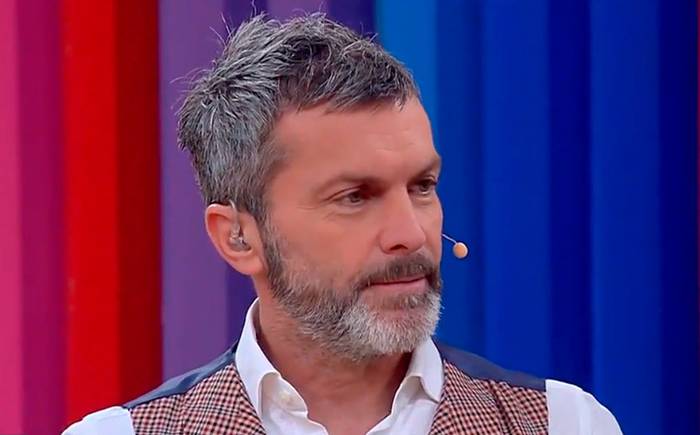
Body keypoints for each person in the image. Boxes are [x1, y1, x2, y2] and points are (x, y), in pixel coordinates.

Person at [64, 13, 621, 435]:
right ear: (238, 237)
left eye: (422, 186)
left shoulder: (564, 423)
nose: (410, 234)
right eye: (355, 197)